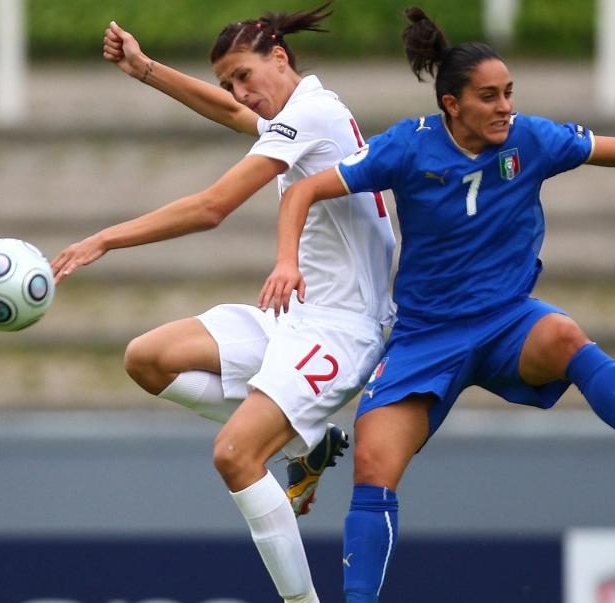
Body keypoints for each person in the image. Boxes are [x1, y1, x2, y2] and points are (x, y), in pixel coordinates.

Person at [258, 7, 615, 602]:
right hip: (425, 337)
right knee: (372, 462)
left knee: (565, 337)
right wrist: (287, 260)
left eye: (509, 94)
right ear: (452, 104)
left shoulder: (531, 138)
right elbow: (305, 190)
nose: (505, 107)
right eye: (489, 97)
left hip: (506, 321)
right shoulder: (407, 147)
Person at [51, 4, 397, 602]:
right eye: (228, 82)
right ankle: (304, 441)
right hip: (298, 314)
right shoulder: (298, 111)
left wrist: (104, 238)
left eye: (244, 75)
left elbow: (214, 207)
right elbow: (237, 114)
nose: (240, 93)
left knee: (235, 454)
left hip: (344, 330)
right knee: (148, 358)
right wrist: (146, 69)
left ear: (280, 57)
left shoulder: (312, 114)